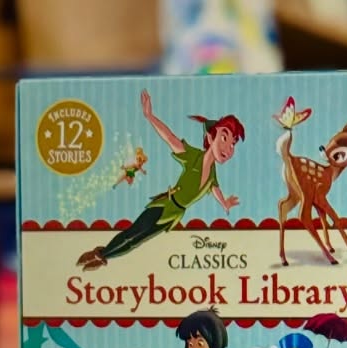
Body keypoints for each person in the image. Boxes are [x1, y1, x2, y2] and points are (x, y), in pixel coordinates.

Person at [77, 91, 242, 271]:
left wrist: (224, 202)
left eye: (233, 143)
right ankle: (100, 254)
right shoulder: (194, 156)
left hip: (174, 214)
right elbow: (170, 138)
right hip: (164, 205)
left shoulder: (212, 172)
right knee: (134, 232)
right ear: (210, 138)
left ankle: (103, 257)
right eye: (224, 138)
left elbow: (214, 187)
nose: (228, 148)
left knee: (137, 241)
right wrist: (149, 116)